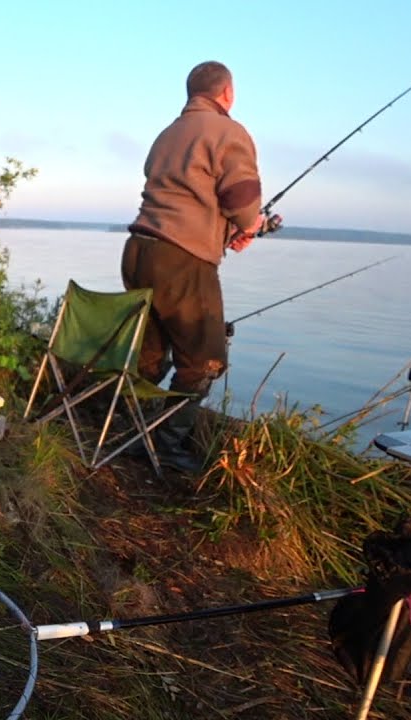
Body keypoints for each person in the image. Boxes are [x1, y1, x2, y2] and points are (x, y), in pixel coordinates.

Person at [121, 60, 278, 474]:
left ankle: (133, 436)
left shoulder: (167, 135)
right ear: (227, 92)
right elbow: (241, 194)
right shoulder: (229, 131)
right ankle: (168, 447)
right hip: (181, 260)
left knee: (150, 357)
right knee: (205, 359)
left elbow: (184, 198)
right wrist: (250, 224)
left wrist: (227, 233)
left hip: (139, 250)